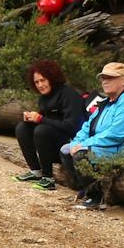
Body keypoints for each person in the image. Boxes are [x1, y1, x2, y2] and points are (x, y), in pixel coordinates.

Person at [62, 61, 124, 210]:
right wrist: (77, 142)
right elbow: (87, 127)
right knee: (65, 150)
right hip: (109, 147)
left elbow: (115, 135)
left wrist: (83, 145)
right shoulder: (106, 102)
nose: (105, 81)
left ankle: (97, 198)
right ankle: (86, 188)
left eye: (110, 77)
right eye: (103, 77)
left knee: (82, 153)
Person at [13, 60, 89, 190]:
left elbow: (72, 127)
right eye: (37, 82)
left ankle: (48, 178)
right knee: (22, 127)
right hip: (49, 145)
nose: (40, 85)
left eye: (43, 80)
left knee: (42, 130)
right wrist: (32, 118)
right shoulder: (44, 98)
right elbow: (45, 120)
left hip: (70, 146)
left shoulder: (68, 94)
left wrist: (41, 119)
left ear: (52, 78)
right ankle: (35, 171)